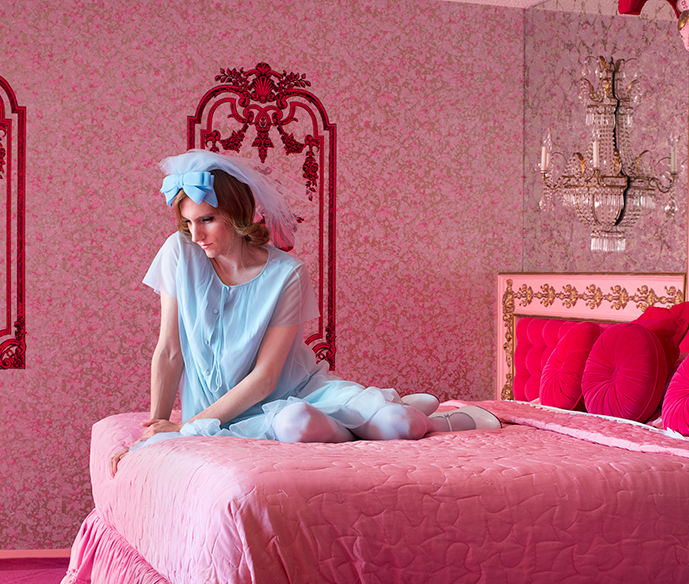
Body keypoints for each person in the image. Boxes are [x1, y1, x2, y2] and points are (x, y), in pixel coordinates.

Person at [110, 150, 500, 476]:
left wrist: (188, 427)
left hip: (292, 391)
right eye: (187, 222)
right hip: (220, 413)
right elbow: (169, 352)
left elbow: (266, 378)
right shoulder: (180, 254)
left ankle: (440, 419)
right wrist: (158, 430)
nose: (195, 235)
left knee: (403, 425)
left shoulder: (287, 274)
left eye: (207, 220)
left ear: (236, 213)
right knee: (297, 424)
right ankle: (380, 414)